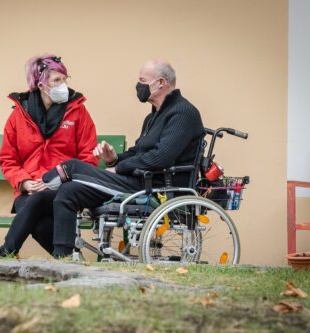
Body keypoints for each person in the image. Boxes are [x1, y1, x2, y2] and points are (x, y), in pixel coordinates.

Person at [42, 58, 205, 258]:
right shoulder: (153, 116)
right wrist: (114, 159)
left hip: (157, 188)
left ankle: (41, 185)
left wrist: (119, 168)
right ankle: (62, 257)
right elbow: (139, 152)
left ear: (161, 83)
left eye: (142, 80)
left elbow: (161, 158)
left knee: (73, 166)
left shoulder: (183, 113)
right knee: (69, 190)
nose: (138, 86)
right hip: (138, 181)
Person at [0, 54, 98, 258]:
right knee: (37, 218)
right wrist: (23, 183)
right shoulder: (18, 115)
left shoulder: (78, 111)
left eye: (65, 79)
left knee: (35, 203)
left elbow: (88, 156)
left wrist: (59, 180)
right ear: (41, 84)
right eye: (57, 80)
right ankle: (67, 259)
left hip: (66, 186)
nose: (64, 85)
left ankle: (6, 252)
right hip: (30, 188)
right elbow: (8, 159)